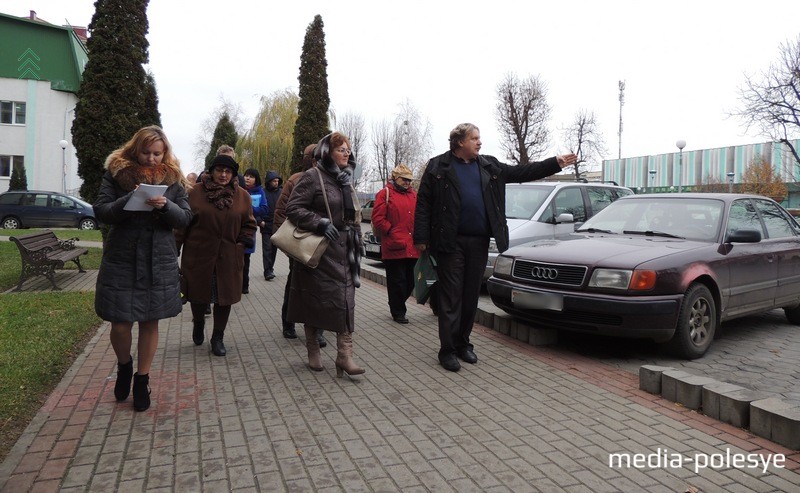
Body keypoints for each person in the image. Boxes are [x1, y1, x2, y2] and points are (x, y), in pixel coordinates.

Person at [414, 123, 577, 372]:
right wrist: (421, 237)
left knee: (470, 297)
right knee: (451, 297)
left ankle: (463, 345)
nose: (480, 142)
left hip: (479, 241)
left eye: (479, 138)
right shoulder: (438, 166)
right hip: (449, 243)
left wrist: (554, 163)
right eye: (475, 138)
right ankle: (446, 350)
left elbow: (522, 172)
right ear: (459, 142)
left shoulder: (489, 166)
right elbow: (424, 203)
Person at [93, 125, 193, 412]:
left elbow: (185, 218)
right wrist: (130, 199)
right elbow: (101, 211)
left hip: (157, 257)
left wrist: (164, 207)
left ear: (165, 153)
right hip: (122, 257)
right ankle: (125, 365)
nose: (152, 159)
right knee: (120, 322)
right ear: (135, 150)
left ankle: (142, 378)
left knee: (150, 321)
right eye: (146, 152)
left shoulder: (173, 178)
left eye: (157, 153)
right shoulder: (116, 173)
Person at [285, 132, 364, 377]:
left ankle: (344, 356)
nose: (346, 152)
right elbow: (293, 209)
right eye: (341, 149)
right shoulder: (312, 177)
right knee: (314, 302)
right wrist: (319, 222)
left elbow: (354, 215)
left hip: (345, 251)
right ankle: (313, 352)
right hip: (319, 250)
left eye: (348, 149)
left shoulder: (346, 179)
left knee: (345, 302)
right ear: (327, 153)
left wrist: (357, 238)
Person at [176, 154, 257, 357]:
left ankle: (218, 337)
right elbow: (181, 224)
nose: (223, 175)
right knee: (197, 295)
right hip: (199, 254)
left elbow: (249, 224)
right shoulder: (194, 192)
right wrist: (173, 249)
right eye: (219, 170)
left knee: (224, 299)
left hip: (229, 257)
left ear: (233, 174)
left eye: (228, 171)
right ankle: (198, 322)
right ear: (211, 171)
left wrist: (242, 242)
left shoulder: (242, 196)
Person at [272, 144, 327, 349]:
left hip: (322, 241)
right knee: (295, 283)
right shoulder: (295, 180)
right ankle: (289, 321)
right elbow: (281, 211)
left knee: (320, 286)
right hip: (299, 242)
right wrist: (287, 243)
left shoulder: (330, 178)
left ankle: (318, 328)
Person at [371, 164, 420, 324]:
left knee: (410, 281)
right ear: (395, 178)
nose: (407, 183)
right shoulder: (384, 194)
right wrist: (391, 231)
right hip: (393, 246)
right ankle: (398, 311)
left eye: (409, 180)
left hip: (411, 246)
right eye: (404, 179)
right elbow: (378, 218)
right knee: (397, 281)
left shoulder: (414, 195)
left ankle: (396, 303)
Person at [242, 168, 269, 294]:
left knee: (246, 258)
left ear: (256, 179)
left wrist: (248, 207)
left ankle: (244, 285)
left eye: (251, 176)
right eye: (246, 175)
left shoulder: (260, 192)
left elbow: (264, 209)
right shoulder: (239, 189)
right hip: (235, 227)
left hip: (249, 228)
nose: (247, 178)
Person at [262, 170, 283, 280]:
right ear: (269, 182)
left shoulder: (281, 192)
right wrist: (260, 220)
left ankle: (271, 268)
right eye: (274, 181)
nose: (276, 183)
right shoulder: (263, 192)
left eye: (277, 181)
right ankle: (267, 271)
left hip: (277, 225)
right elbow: (259, 207)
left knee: (274, 249)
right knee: (267, 249)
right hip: (266, 225)